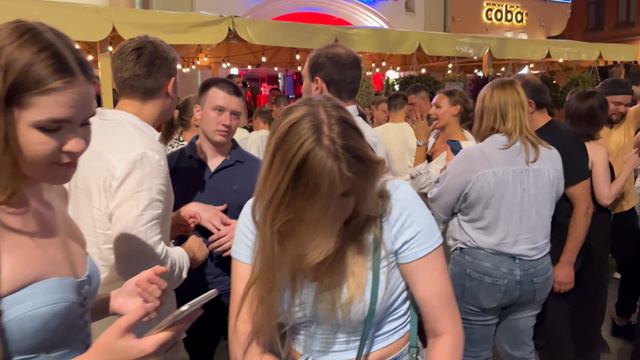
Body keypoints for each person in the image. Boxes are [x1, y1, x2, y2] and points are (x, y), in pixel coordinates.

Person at [0, 19, 200, 359]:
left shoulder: (51, 193)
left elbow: (48, 320)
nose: (78, 143)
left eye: (85, 121)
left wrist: (111, 301)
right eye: (52, 127)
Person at [228, 95, 463, 359]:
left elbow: (445, 331)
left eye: (344, 195)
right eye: (313, 202)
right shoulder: (260, 216)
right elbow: (245, 337)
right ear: (284, 191)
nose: (331, 214)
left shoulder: (395, 203)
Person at [66, 35, 225, 347]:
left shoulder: (89, 129)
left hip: (80, 310)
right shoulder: (143, 150)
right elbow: (142, 265)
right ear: (171, 86)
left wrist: (167, 220)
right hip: (128, 323)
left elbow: (100, 217)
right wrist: (189, 254)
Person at [428, 78, 564, 359]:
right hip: (536, 268)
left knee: (472, 351)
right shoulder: (550, 155)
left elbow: (438, 207)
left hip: (481, 267)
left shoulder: (473, 157)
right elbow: (552, 200)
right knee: (519, 350)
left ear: (485, 111)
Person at [168, 77, 261, 360]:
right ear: (197, 113)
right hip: (185, 297)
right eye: (218, 111)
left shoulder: (257, 170)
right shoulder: (170, 166)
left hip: (241, 296)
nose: (227, 121)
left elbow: (280, 226)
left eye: (234, 114)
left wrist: (248, 232)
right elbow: (153, 228)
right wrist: (180, 216)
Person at [512, 75, 593, 360]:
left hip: (557, 248)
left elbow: (583, 206)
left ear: (530, 105)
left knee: (554, 332)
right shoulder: (526, 137)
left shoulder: (563, 139)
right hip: (536, 249)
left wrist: (566, 262)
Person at [562, 89, 640, 359]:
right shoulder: (595, 149)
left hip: (564, 225)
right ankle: (587, 346)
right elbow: (605, 197)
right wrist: (629, 166)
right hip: (593, 226)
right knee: (592, 291)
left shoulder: (558, 143)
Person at [596, 78, 640, 341]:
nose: (622, 109)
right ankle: (588, 328)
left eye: (627, 104)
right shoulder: (588, 124)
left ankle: (622, 318)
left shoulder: (629, 119)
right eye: (616, 104)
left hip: (624, 209)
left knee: (634, 267)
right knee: (593, 274)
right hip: (595, 211)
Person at [301, 43, 388, 163]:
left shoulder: (322, 137)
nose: (302, 88)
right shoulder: (368, 136)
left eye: (304, 79)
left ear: (317, 85)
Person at [410, 88, 475, 195]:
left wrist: (421, 142)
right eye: (432, 106)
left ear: (456, 109)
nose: (431, 112)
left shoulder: (464, 150)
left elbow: (422, 187)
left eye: (438, 107)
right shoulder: (432, 135)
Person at [374, 92, 416, 179]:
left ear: (388, 110)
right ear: (406, 108)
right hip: (411, 185)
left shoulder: (375, 133)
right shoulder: (414, 131)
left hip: (385, 186)